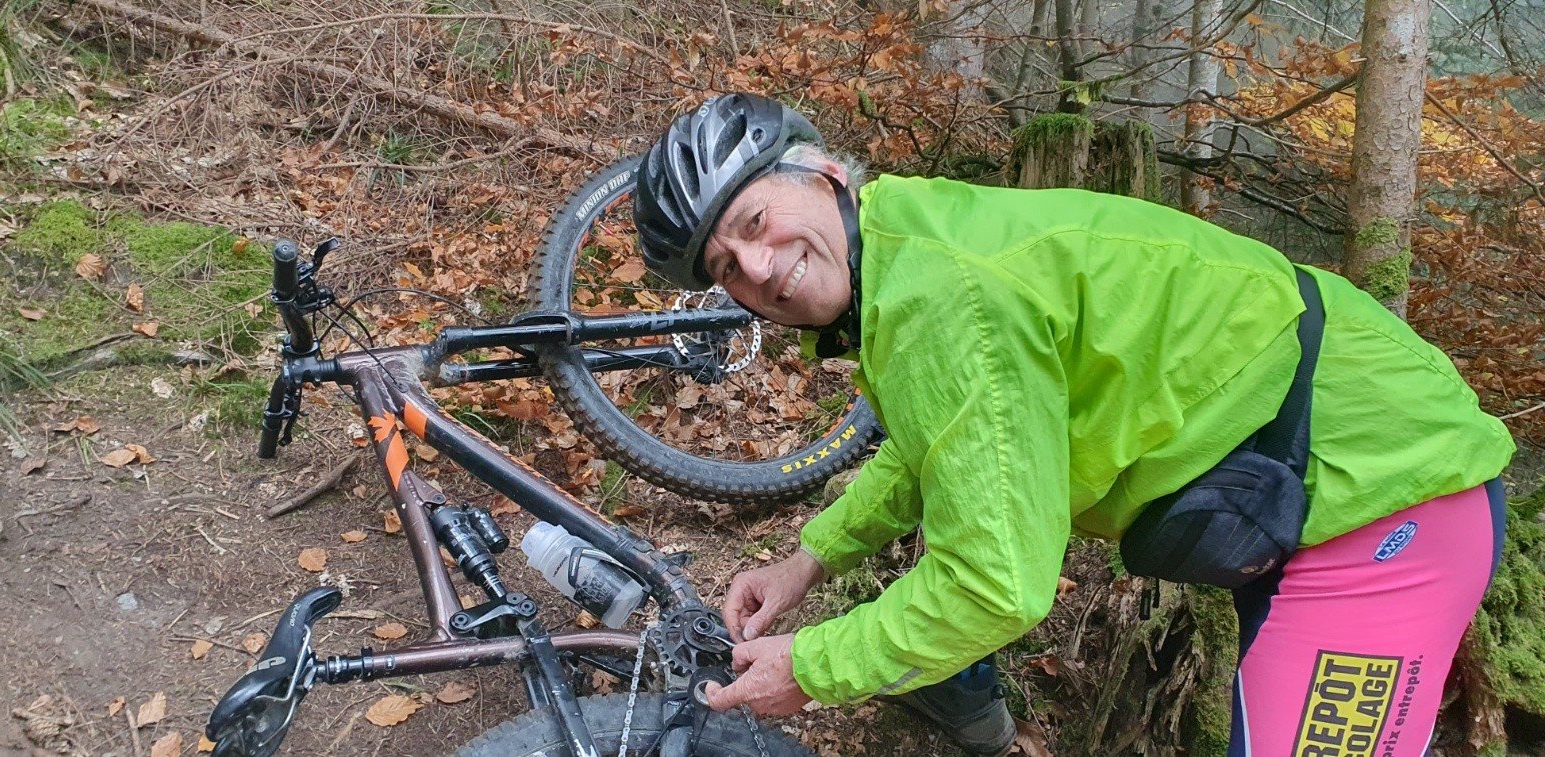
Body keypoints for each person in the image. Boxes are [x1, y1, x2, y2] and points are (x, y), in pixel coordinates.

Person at [632, 92, 1515, 756]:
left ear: (822, 175)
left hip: (1385, 503)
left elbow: (997, 588)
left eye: (755, 221)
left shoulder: (944, 293)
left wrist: (813, 666)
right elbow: (944, 440)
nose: (757, 268)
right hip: (1317, 494)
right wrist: (812, 556)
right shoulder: (904, 247)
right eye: (727, 270)